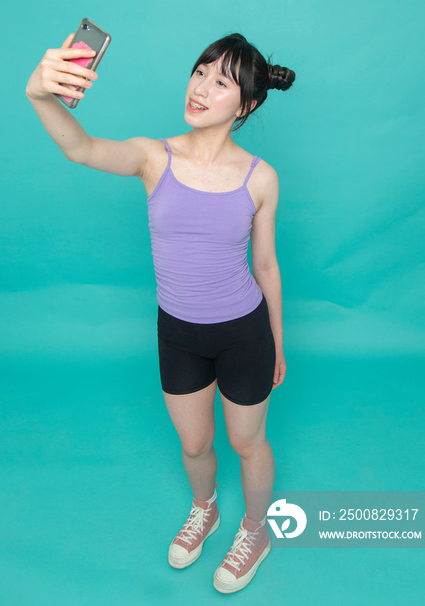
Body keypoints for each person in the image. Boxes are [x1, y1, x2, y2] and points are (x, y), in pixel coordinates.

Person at [25, 31, 295, 593]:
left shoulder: (259, 176)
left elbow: (265, 265)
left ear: (244, 104)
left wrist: (277, 341)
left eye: (220, 82)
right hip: (178, 333)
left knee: (248, 443)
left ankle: (255, 530)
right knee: (194, 444)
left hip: (244, 334)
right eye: (200, 71)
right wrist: (41, 96)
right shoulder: (155, 156)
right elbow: (81, 148)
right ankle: (206, 510)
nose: (200, 87)